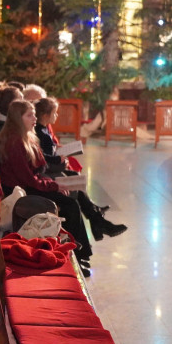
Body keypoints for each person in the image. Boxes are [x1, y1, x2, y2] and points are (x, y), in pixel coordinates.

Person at [0, 99, 96, 272]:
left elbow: (38, 168)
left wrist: (53, 181)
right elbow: (28, 179)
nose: (34, 118)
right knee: (70, 205)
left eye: (34, 114)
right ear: (18, 118)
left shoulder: (26, 136)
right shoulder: (14, 142)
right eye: (29, 115)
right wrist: (54, 185)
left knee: (71, 198)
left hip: (30, 185)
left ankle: (79, 253)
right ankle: (77, 255)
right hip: (22, 193)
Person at [35, 98, 126, 240]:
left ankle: (96, 219)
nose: (57, 116)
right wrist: (59, 158)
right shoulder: (39, 132)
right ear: (46, 115)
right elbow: (42, 157)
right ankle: (97, 221)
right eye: (55, 113)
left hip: (50, 169)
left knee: (74, 175)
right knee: (74, 186)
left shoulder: (44, 129)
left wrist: (59, 153)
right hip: (47, 173)